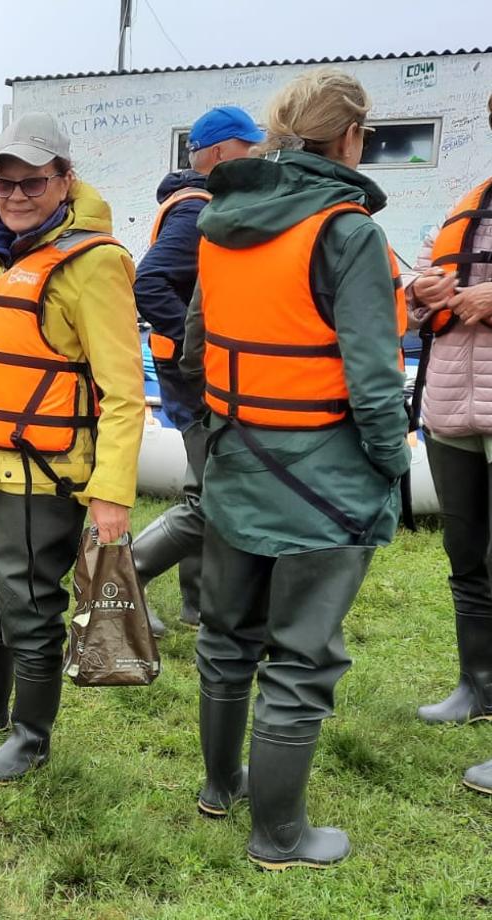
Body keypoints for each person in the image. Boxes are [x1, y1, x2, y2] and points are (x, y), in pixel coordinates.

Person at [181, 68, 408, 869]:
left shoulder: (224, 217)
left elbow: (194, 348)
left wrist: (216, 435)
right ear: (352, 137)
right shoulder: (348, 232)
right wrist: (393, 468)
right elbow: (376, 379)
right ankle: (279, 836)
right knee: (302, 657)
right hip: (325, 483)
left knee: (226, 639)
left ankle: (220, 787)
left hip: (238, 462)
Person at [0, 112, 145, 782]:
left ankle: (31, 736)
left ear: (66, 180)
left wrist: (112, 491)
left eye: (34, 183)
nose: (16, 196)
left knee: (27, 601)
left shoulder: (95, 264)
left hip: (42, 474)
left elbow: (125, 392)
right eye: (4, 182)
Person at [131, 106, 264, 636]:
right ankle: (121, 576)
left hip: (189, 364)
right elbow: (150, 283)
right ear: (212, 153)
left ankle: (198, 604)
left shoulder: (203, 203)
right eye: (243, 146)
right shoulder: (195, 211)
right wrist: (199, 344)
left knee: (204, 484)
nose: (254, 156)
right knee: (210, 494)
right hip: (192, 371)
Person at [404, 91, 492, 793]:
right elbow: (436, 299)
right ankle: (477, 686)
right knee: (466, 560)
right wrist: (426, 292)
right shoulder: (474, 200)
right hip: (453, 407)